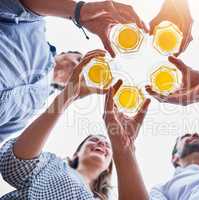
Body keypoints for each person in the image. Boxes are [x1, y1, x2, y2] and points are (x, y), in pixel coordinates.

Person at [0, 49, 151, 199]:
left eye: (107, 145)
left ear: (108, 168)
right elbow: (14, 165)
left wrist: (124, 148)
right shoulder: (52, 164)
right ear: (75, 155)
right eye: (93, 140)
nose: (101, 142)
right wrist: (66, 96)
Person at [0, 0, 146, 142]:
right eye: (79, 59)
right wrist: (79, 11)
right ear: (64, 53)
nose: (81, 67)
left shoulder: (34, 107)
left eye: (83, 73)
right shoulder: (34, 29)